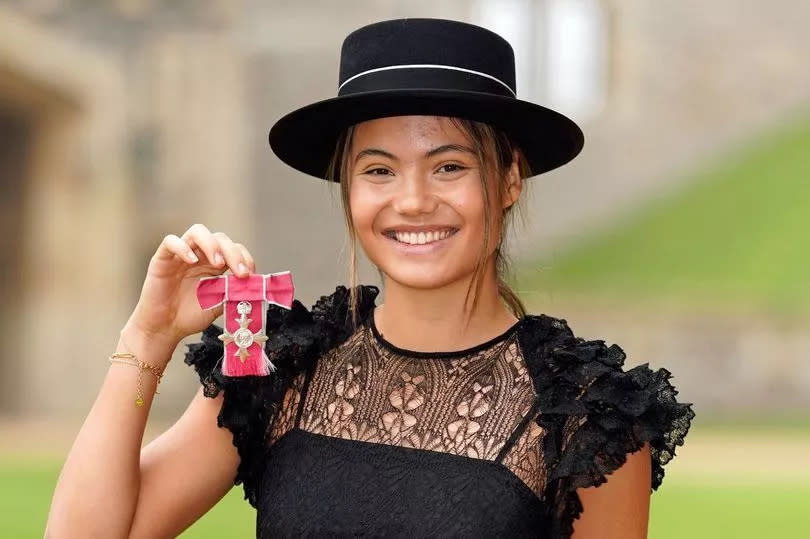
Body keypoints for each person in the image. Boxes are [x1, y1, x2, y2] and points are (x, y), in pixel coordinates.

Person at [46, 18, 694, 539]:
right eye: (379, 170)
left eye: (448, 167)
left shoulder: (587, 414)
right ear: (349, 188)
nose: (411, 201)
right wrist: (148, 336)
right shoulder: (280, 366)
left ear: (509, 179)